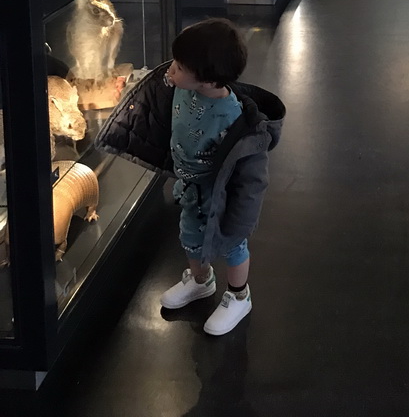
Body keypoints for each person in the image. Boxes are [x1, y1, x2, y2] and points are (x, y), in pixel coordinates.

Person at [95, 18, 285, 335]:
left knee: (233, 244)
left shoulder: (235, 121)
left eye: (180, 67)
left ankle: (239, 296)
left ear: (208, 80)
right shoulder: (181, 88)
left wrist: (240, 215)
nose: (170, 70)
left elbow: (250, 177)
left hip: (219, 195)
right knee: (190, 237)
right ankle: (201, 281)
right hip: (190, 188)